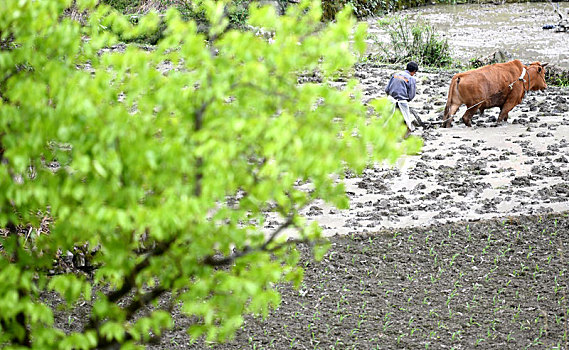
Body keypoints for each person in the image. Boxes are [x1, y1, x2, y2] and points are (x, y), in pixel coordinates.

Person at [385, 61, 419, 133]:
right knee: (405, 119)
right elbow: (412, 94)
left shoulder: (395, 75)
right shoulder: (411, 78)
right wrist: (407, 100)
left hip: (391, 99)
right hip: (402, 101)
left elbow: (387, 89)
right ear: (414, 71)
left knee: (387, 118)